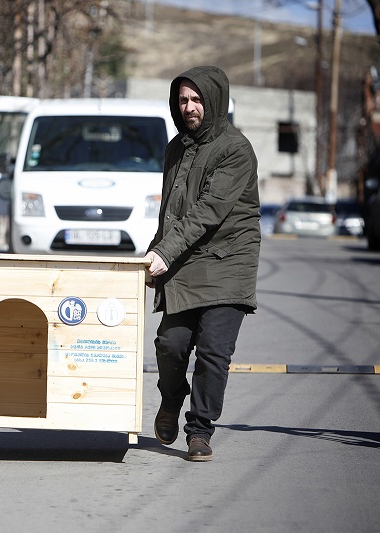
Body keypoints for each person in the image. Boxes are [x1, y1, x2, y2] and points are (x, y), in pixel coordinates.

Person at [145, 66, 260, 462]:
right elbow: (173, 212)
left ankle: (200, 431)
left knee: (213, 351)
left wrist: (165, 252)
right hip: (187, 260)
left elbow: (208, 210)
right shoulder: (175, 147)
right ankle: (171, 400)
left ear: (214, 102)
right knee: (170, 345)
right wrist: (152, 251)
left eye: (196, 100)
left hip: (229, 260)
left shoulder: (235, 149)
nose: (189, 107)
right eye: (182, 100)